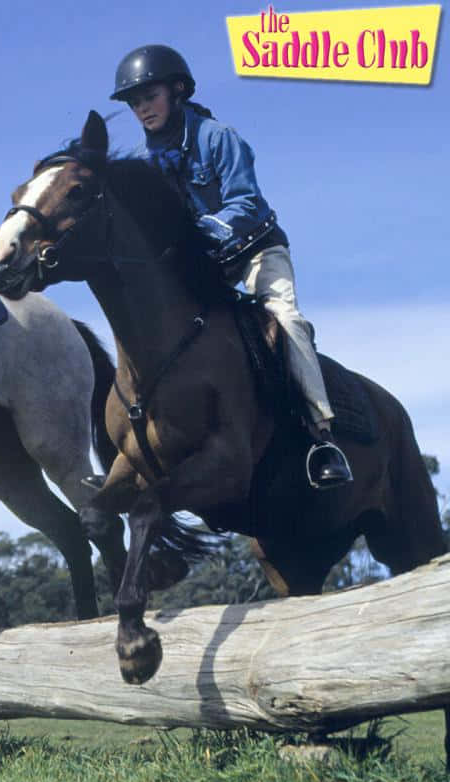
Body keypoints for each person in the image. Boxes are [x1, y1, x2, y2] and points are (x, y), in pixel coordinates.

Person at [110, 44, 352, 489]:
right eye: (134, 102)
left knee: (288, 322)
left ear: (178, 90)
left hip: (255, 252)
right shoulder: (146, 165)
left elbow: (246, 201)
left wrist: (199, 234)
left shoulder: (218, 137)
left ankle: (322, 437)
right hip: (205, 268)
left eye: (150, 96)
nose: (142, 108)